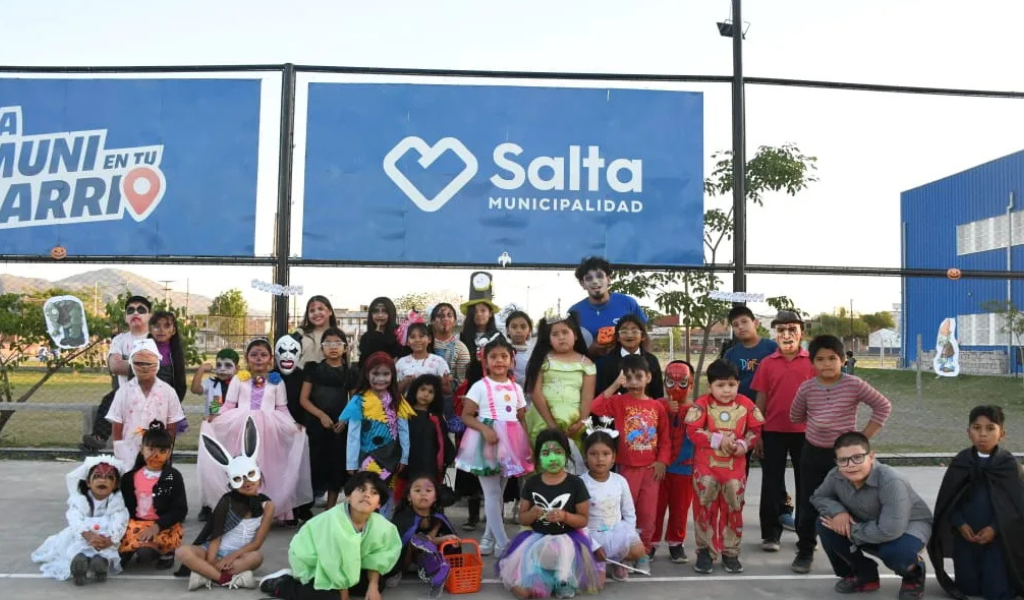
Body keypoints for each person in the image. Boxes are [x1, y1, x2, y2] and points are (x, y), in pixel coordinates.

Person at [789, 334, 892, 574]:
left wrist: (862, 438)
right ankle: (805, 550)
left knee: (850, 505)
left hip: (846, 459)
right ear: (812, 363)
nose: (827, 364)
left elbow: (883, 406)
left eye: (832, 358)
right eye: (820, 359)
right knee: (809, 502)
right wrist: (818, 423)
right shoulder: (806, 388)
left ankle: (850, 553)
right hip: (813, 454)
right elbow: (795, 416)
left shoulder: (853, 385)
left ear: (843, 360)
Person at [197, 339, 313, 522]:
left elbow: (282, 408)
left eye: (263, 355)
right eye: (254, 355)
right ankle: (241, 507)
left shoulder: (276, 381)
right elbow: (229, 405)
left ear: (270, 359)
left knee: (268, 467)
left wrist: (293, 425)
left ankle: (268, 508)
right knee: (244, 467)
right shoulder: (239, 379)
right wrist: (216, 417)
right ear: (247, 358)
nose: (259, 358)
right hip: (242, 427)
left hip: (269, 430)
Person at [812, 432, 931, 600]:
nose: (851, 465)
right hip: (869, 522)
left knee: (895, 551)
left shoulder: (891, 480)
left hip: (907, 526)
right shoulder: (835, 475)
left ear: (872, 457)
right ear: (836, 462)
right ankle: (865, 573)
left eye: (858, 458)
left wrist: (851, 529)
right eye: (843, 460)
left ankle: (914, 573)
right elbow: (819, 496)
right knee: (825, 523)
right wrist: (838, 512)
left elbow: (890, 530)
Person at [258, 472, 403, 600]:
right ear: (348, 497)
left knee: (377, 584)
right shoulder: (333, 522)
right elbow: (330, 562)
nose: (367, 495)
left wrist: (373, 587)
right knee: (329, 597)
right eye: (361, 489)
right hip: (313, 562)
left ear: (379, 504)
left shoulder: (381, 526)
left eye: (374, 492)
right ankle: (283, 585)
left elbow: (377, 558)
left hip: (346, 566)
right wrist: (343, 593)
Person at [929, 405, 1024, 600]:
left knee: (998, 593)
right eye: (976, 428)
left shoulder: (1009, 466)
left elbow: (1017, 507)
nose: (982, 434)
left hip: (999, 540)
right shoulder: (961, 462)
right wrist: (960, 523)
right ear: (968, 432)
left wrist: (994, 528)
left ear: (1002, 434)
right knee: (968, 589)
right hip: (966, 538)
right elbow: (948, 502)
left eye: (990, 428)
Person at [496, 429, 602, 599]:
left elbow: (583, 519)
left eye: (558, 452)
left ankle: (563, 579)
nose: (552, 458)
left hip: (567, 540)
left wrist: (565, 516)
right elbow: (523, 517)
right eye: (546, 453)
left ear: (567, 454)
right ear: (538, 457)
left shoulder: (576, 483)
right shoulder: (532, 483)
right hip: (537, 539)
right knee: (523, 592)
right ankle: (542, 579)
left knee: (559, 557)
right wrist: (532, 513)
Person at [589, 354, 671, 568]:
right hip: (626, 470)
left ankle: (642, 553)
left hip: (651, 472)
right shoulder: (618, 401)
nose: (634, 382)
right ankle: (621, 551)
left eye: (638, 376)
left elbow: (665, 438)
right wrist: (616, 384)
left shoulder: (657, 407)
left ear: (649, 378)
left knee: (647, 514)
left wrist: (662, 461)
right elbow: (596, 407)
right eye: (628, 377)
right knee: (623, 513)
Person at [456, 336, 534, 557]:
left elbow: (521, 418)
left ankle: (489, 538)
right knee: (490, 493)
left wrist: (526, 446)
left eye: (504, 356)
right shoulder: (480, 386)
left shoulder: (516, 388)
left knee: (498, 493)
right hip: (486, 442)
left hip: (511, 443)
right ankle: (503, 542)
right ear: (485, 360)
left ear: (511, 360)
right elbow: (466, 416)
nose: (499, 361)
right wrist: (485, 429)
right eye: (493, 357)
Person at [685, 359, 764, 575]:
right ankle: (705, 552)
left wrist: (743, 444)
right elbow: (692, 431)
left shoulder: (747, 405)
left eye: (731, 384)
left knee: (733, 509)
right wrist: (717, 440)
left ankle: (731, 552)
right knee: (704, 509)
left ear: (738, 384)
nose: (726, 390)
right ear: (710, 386)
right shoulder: (701, 405)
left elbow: (755, 430)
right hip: (706, 470)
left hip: (735, 471)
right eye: (720, 385)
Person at [177, 417, 272, 591]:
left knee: (256, 557)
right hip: (212, 551)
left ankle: (204, 574)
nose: (246, 482)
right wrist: (213, 560)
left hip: (239, 555)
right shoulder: (227, 500)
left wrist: (230, 558)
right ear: (231, 481)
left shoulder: (267, 505)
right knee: (182, 552)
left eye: (250, 475)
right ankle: (223, 578)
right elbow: (216, 535)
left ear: (258, 474)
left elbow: (257, 542)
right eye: (238, 479)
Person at [750, 310, 815, 562]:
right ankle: (770, 534)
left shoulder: (811, 362)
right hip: (773, 431)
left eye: (792, 329)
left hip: (806, 434)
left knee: (807, 484)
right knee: (771, 483)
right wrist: (758, 434)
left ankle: (806, 535)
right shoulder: (768, 363)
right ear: (774, 333)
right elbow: (761, 400)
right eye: (781, 330)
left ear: (802, 332)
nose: (787, 335)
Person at [722, 305, 790, 523]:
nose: (740, 327)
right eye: (735, 325)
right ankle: (733, 512)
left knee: (773, 470)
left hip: (769, 418)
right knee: (738, 467)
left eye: (744, 322)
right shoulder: (732, 354)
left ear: (755, 323)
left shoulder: (772, 348)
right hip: (740, 420)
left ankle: (783, 511)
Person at [32, 455, 129, 585]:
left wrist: (111, 539)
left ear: (116, 484)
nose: (103, 480)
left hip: (104, 537)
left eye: (109, 478)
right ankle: (78, 562)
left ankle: (100, 563)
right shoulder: (80, 500)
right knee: (76, 547)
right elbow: (74, 518)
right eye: (97, 476)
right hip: (83, 535)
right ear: (88, 482)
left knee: (106, 551)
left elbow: (120, 520)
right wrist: (86, 534)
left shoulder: (117, 503)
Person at [342, 351, 415, 519]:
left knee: (386, 492)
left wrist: (404, 457)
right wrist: (351, 463)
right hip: (367, 456)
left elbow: (404, 431)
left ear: (393, 375)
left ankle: (384, 528)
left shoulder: (397, 400)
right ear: (367, 375)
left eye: (385, 374)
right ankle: (364, 526)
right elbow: (353, 434)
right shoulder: (358, 401)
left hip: (391, 456)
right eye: (375, 374)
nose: (380, 379)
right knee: (368, 490)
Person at [524, 313, 596, 471]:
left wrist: (580, 422)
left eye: (565, 332)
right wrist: (551, 424)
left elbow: (587, 397)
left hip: (572, 423)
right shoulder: (542, 360)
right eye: (555, 334)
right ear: (548, 338)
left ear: (575, 335)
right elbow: (535, 392)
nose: (561, 337)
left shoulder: (587, 364)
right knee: (543, 461)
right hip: (542, 419)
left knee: (569, 464)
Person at [83, 295, 153, 451]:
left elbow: (157, 369)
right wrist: (142, 365)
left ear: (149, 316)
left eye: (141, 309)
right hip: (124, 393)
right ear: (126, 317)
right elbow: (115, 366)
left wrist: (128, 363)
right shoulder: (119, 340)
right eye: (130, 310)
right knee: (109, 401)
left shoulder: (156, 339)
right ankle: (98, 438)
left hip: (152, 393)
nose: (135, 313)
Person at [299, 327, 358, 511]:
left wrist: (345, 420)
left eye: (337, 343)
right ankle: (305, 507)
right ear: (322, 348)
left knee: (336, 467)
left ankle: (330, 510)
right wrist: (321, 415)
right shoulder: (314, 369)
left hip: (339, 426)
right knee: (315, 464)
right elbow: (303, 399)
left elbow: (354, 401)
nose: (333, 347)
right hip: (317, 425)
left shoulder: (351, 372)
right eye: (328, 344)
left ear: (345, 348)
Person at [105, 339, 185, 468]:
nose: (144, 367)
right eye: (139, 363)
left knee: (156, 482)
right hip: (129, 450)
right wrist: (119, 448)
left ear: (157, 364)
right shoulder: (123, 392)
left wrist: (166, 446)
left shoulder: (168, 392)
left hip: (157, 450)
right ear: (131, 364)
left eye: (149, 363)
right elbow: (117, 423)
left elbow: (172, 422)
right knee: (131, 481)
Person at [119, 422, 188, 570]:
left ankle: (166, 551)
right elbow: (123, 507)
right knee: (118, 556)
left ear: (169, 453)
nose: (156, 455)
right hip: (135, 524)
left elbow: (180, 509)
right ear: (142, 450)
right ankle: (132, 548)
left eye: (162, 450)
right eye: (151, 449)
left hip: (162, 526)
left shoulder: (172, 477)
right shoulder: (129, 478)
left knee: (145, 553)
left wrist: (158, 526)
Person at [580, 429, 646, 582]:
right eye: (593, 454)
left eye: (605, 454)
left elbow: (629, 512)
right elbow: (579, 519)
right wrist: (594, 545)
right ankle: (599, 561)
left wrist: (628, 534)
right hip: (591, 534)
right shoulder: (580, 483)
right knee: (595, 581)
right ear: (585, 456)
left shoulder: (620, 481)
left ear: (613, 457)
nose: (600, 459)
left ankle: (618, 561)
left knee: (639, 550)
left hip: (616, 532)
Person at [651, 360, 697, 564]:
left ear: (692, 384)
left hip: (685, 468)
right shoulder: (656, 406)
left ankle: (676, 543)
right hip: (659, 467)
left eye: (683, 382)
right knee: (655, 507)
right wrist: (664, 409)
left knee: (680, 509)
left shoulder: (697, 410)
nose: (676, 388)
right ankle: (650, 542)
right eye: (670, 382)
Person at [390, 476, 459, 599]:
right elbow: (396, 543)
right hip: (404, 560)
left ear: (435, 497)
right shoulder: (402, 517)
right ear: (409, 497)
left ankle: (439, 572)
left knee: (426, 543)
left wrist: (451, 540)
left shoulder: (438, 518)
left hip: (423, 557)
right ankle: (396, 573)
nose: (423, 494)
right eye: (417, 490)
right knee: (414, 539)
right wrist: (443, 539)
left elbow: (430, 538)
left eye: (428, 491)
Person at [568, 256, 647, 357]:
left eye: (599, 276)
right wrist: (590, 350)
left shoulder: (628, 303)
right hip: (589, 370)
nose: (595, 281)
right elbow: (569, 349)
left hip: (627, 368)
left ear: (609, 279)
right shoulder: (574, 312)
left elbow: (645, 336)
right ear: (582, 284)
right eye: (588, 278)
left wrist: (647, 362)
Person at [397, 374, 454, 504]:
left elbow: (443, 443)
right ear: (415, 390)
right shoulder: (404, 414)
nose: (426, 394)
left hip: (429, 465)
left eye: (430, 392)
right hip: (407, 464)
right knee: (405, 497)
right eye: (422, 389)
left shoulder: (436, 417)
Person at [595, 315, 664, 400]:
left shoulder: (651, 360)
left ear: (643, 336)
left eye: (634, 331)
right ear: (617, 337)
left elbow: (658, 395)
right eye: (624, 331)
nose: (629, 335)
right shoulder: (604, 363)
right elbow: (598, 397)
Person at [396, 322, 451, 395]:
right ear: (407, 342)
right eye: (412, 337)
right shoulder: (401, 362)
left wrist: (438, 383)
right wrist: (405, 382)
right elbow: (395, 392)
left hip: (432, 405)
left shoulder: (439, 361)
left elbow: (448, 391)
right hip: (408, 405)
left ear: (429, 339)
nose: (417, 340)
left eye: (421, 336)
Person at [459, 271, 502, 358]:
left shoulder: (498, 337)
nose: (478, 314)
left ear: (490, 313)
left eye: (483, 311)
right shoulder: (461, 338)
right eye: (475, 311)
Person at [190, 349, 240, 423]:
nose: (222, 369)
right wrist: (201, 369)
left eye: (228, 365)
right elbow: (195, 389)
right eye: (219, 365)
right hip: (214, 424)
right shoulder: (211, 383)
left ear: (237, 369)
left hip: (235, 423)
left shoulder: (241, 384)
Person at [358, 297, 404, 369]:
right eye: (376, 311)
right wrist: (376, 336)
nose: (380, 315)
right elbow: (363, 364)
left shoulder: (400, 333)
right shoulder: (366, 338)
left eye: (384, 311)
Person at [295, 296, 339, 369]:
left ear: (330, 311)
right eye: (312, 311)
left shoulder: (338, 336)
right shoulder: (300, 333)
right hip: (301, 377)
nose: (316, 313)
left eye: (320, 309)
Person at [505, 310, 535, 388]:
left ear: (529, 331)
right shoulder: (502, 352)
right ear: (508, 330)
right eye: (514, 327)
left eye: (523, 327)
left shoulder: (534, 353)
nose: (518, 331)